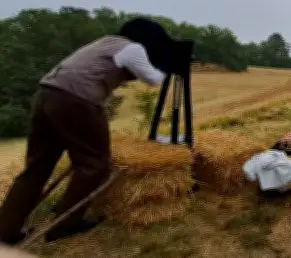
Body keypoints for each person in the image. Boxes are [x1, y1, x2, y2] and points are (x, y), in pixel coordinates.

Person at [0, 18, 169, 245]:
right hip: (76, 100)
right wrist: (168, 66)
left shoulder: (106, 42)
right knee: (94, 165)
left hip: (46, 94)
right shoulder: (133, 48)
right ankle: (64, 226)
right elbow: (153, 78)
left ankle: (5, 230)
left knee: (36, 168)